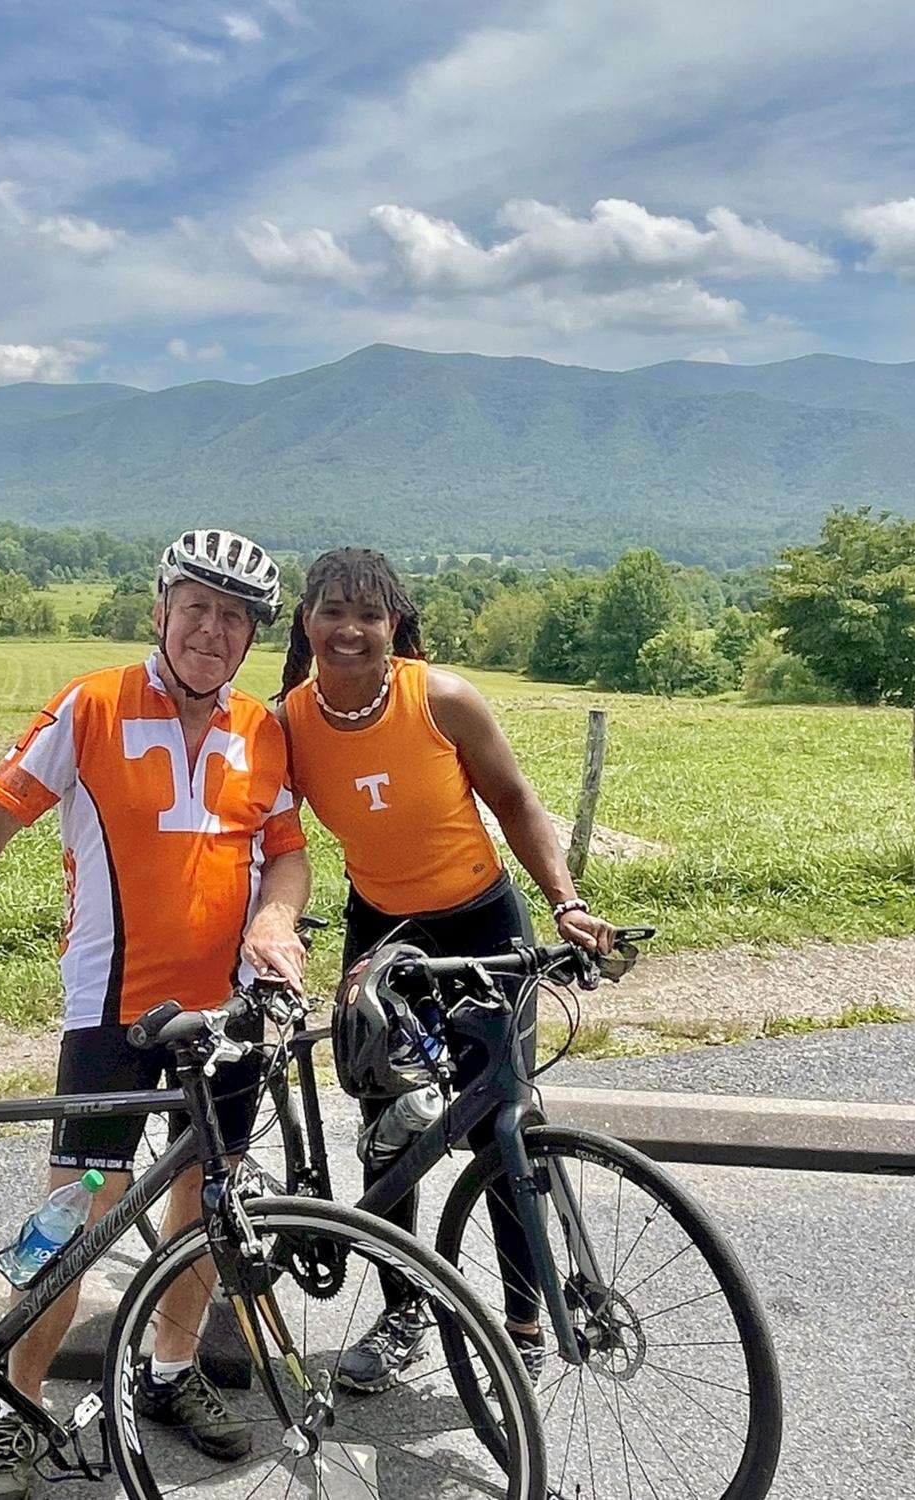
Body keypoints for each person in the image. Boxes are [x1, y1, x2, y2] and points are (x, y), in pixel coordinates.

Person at [0, 528, 310, 1500]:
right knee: (79, 1213)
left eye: (233, 618)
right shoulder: (93, 706)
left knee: (206, 1202)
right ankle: (19, 1407)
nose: (211, 630)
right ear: (160, 611)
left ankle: (168, 1370)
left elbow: (286, 853)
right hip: (113, 1010)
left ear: (251, 638)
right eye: (196, 608)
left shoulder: (264, 730)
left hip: (226, 1016)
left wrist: (276, 919)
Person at [275, 547, 617, 1393]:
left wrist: (567, 903)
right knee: (388, 1129)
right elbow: (265, 838)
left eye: (369, 614)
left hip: (481, 923)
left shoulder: (443, 699)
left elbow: (516, 801)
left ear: (394, 624)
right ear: (306, 623)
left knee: (502, 1127)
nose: (350, 629)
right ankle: (404, 1312)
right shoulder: (288, 724)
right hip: (383, 935)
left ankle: (524, 1325)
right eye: (332, 612)